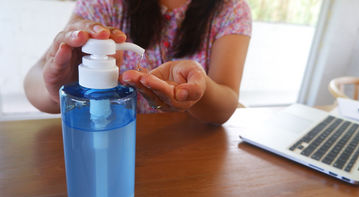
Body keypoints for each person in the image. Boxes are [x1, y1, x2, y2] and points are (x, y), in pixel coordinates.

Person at [24, 0, 252, 124]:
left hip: (191, 151)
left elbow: (225, 105)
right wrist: (57, 89)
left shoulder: (230, 10)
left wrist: (198, 89)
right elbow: (33, 79)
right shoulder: (105, 4)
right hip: (108, 134)